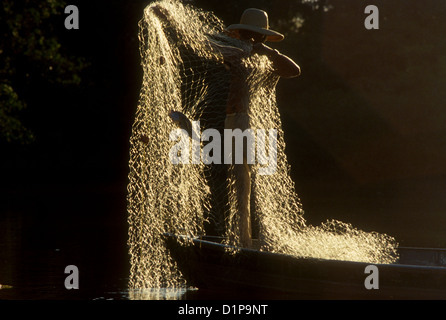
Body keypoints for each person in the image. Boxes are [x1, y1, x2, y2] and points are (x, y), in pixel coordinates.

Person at [152, 6, 301, 248]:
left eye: (248, 35)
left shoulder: (254, 55)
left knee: (242, 180)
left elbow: (294, 70)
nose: (244, 39)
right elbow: (205, 44)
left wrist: (264, 50)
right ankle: (245, 239)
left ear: (256, 36)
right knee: (240, 178)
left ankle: (244, 242)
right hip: (237, 122)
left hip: (245, 121)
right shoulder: (242, 52)